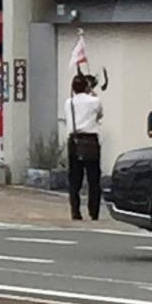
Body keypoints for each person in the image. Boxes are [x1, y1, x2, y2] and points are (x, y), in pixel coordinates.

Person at [64, 72, 106, 222]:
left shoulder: (68, 102)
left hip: (74, 141)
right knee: (93, 179)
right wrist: (93, 95)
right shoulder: (95, 101)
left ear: (73, 88)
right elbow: (100, 115)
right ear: (87, 86)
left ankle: (75, 211)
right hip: (91, 141)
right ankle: (94, 211)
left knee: (75, 178)